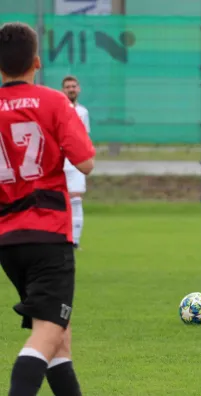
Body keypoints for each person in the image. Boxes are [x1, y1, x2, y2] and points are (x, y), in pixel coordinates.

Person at [0, 22, 95, 396]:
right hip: (49, 234)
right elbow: (85, 162)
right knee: (46, 334)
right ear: (36, 62)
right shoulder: (54, 101)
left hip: (7, 238)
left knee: (60, 337)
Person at [61, 75, 90, 250]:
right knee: (58, 200)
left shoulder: (83, 112)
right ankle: (61, 237)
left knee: (76, 199)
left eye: (74, 86)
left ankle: (75, 240)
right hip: (59, 163)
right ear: (63, 90)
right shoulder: (58, 109)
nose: (71, 89)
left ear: (78, 89)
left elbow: (84, 138)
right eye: (68, 87)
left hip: (75, 163)